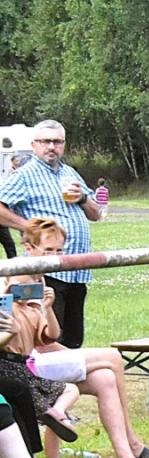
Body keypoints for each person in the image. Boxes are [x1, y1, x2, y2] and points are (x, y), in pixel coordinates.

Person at [2, 218, 149, 458]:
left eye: (59, 251)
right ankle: (133, 442)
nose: (54, 257)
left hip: (34, 358)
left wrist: (47, 308)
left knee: (105, 378)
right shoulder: (14, 279)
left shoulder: (39, 281)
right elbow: (11, 323)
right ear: (28, 248)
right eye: (48, 250)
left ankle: (126, 457)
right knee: (113, 358)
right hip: (21, 365)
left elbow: (47, 337)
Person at [0, 120, 103, 349]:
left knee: (74, 339)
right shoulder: (25, 176)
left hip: (77, 271)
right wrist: (28, 227)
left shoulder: (70, 173)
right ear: (34, 145)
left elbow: (96, 214)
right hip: (47, 272)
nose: (51, 146)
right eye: (45, 141)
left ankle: (74, 383)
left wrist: (84, 199)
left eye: (57, 141)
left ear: (64, 145)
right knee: (51, 341)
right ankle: (53, 385)